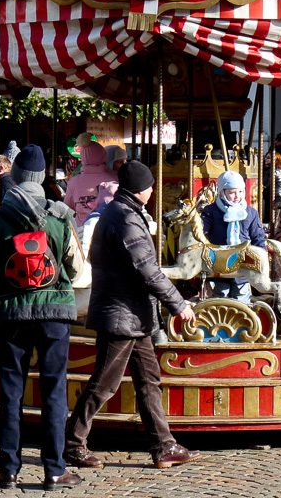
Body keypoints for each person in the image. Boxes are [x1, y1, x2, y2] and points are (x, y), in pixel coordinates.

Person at [64, 161, 200, 471]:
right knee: (104, 384)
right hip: (121, 315)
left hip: (133, 316)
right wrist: (180, 304)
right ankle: (72, 443)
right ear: (142, 188)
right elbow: (148, 270)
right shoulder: (125, 218)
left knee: (149, 381)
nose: (153, 190)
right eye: (151, 185)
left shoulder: (123, 212)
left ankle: (164, 446)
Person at [0, 144, 82, 490]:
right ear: (41, 179)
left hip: (12, 313)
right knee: (54, 390)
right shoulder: (60, 216)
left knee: (10, 392)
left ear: (15, 176)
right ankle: (54, 469)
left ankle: (8, 468)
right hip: (55, 313)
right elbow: (77, 268)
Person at [200, 170, 266, 303]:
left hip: (242, 265)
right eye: (232, 192)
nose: (238, 196)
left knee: (241, 299)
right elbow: (202, 235)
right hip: (219, 265)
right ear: (222, 192)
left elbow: (257, 237)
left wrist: (262, 257)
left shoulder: (250, 213)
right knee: (220, 297)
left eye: (241, 191)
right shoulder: (211, 211)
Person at [63, 141, 115, 228]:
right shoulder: (115, 178)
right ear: (103, 156)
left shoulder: (74, 181)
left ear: (83, 157)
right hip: (108, 231)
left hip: (82, 232)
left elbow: (67, 209)